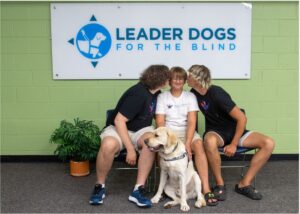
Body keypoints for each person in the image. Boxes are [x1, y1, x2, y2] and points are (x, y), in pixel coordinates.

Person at [187, 64, 275, 201]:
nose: (187, 78)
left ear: (198, 79)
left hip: (234, 131)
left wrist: (234, 144)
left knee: (268, 143)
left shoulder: (217, 93)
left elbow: (242, 118)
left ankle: (244, 184)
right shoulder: (193, 94)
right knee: (209, 141)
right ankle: (220, 184)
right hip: (216, 132)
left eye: (189, 76)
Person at [89, 65, 170, 208]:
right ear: (161, 80)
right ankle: (99, 186)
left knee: (150, 143)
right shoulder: (138, 94)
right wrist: (130, 149)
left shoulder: (156, 93)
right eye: (167, 78)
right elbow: (119, 121)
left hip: (141, 130)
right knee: (108, 145)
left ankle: (138, 189)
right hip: (119, 128)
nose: (169, 81)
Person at [155, 66, 218, 206]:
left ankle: (205, 189)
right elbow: (160, 122)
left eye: (181, 78)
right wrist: (167, 140)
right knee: (159, 148)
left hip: (186, 132)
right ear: (170, 80)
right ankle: (167, 187)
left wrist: (188, 143)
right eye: (175, 78)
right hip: (169, 133)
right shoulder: (162, 97)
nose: (178, 81)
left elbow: (192, 122)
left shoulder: (190, 96)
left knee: (198, 146)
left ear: (184, 81)